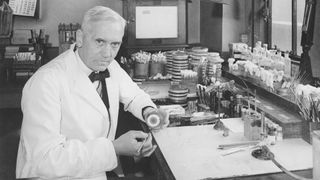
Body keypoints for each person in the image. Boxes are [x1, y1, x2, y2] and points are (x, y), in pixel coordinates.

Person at [16, 6, 169, 180]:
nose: (107, 53)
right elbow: (42, 161)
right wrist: (114, 148)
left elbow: (134, 95)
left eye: (115, 44)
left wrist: (149, 111)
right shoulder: (45, 82)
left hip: (96, 171)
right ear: (80, 38)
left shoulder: (109, 65)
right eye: (99, 41)